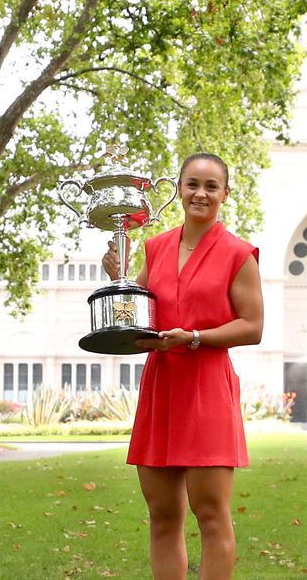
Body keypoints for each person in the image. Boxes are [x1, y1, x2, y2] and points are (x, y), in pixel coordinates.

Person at [102, 152, 263, 580]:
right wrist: (117, 278)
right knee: (162, 516)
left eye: (212, 186)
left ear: (225, 194)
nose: (201, 193)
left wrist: (194, 338)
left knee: (211, 515)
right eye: (192, 184)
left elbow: (253, 326)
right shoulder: (155, 249)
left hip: (207, 388)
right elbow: (136, 313)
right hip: (161, 385)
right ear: (178, 189)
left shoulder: (238, 254)